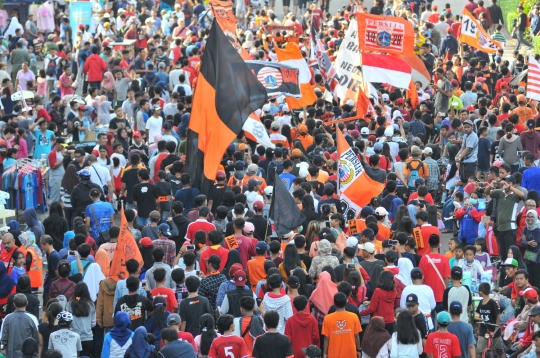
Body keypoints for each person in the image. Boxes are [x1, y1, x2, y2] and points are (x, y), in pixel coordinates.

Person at [322, 292, 361, 358]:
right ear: (346, 302)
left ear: (334, 303)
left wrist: (325, 353)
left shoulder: (327, 318)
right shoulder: (354, 317)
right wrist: (358, 349)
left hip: (333, 353)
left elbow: (326, 338)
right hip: (350, 353)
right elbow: (356, 335)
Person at [0, 293, 39, 358]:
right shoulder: (32, 318)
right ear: (27, 303)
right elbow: (36, 337)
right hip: (28, 355)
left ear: (14, 304)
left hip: (11, 354)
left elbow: (3, 338)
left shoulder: (7, 318)